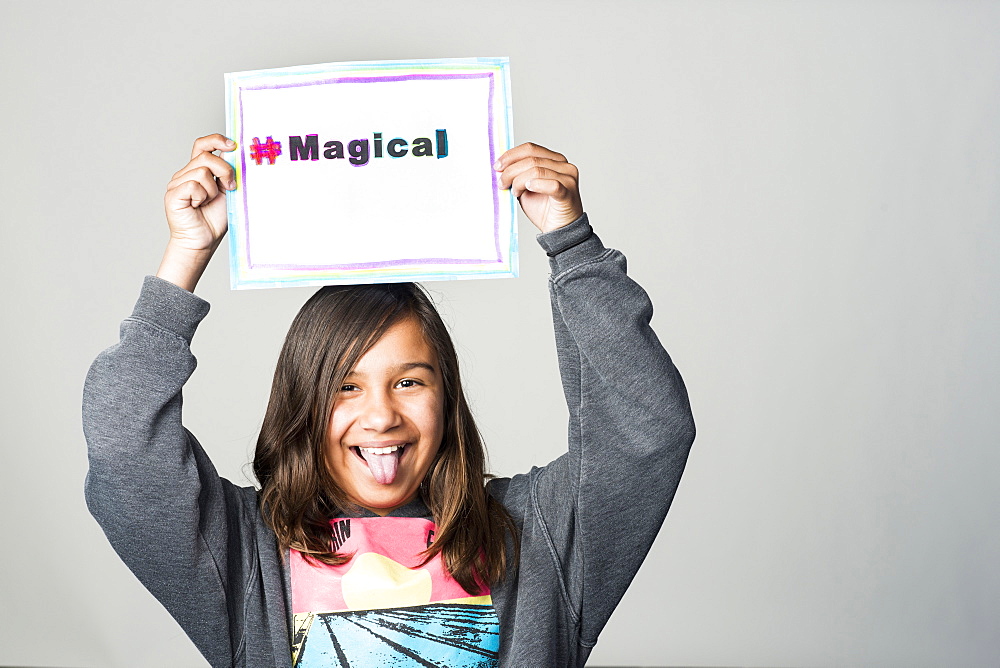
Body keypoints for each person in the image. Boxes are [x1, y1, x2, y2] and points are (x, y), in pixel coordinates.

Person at [83, 134, 696, 668]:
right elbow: (124, 450)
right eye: (345, 386)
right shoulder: (247, 555)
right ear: (302, 404)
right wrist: (185, 257)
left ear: (446, 398)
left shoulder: (537, 535)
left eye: (409, 381)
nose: (380, 416)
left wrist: (574, 246)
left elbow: (646, 434)